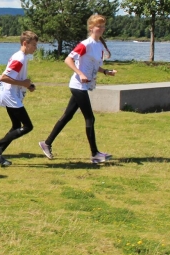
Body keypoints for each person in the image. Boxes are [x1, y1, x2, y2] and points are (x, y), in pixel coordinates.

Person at [38, 14, 116, 164]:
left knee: (67, 116)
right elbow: (68, 60)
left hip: (84, 85)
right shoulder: (85, 44)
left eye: (103, 26)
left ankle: (46, 143)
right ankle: (95, 154)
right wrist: (80, 73)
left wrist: (106, 72)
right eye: (98, 26)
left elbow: (93, 65)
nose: (101, 29)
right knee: (90, 118)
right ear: (91, 28)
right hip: (78, 85)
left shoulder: (98, 45)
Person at [0, 31, 39, 166]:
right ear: (25, 43)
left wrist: (28, 85)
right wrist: (23, 83)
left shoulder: (21, 57)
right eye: (33, 45)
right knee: (28, 126)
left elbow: (16, 77)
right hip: (10, 95)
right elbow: (4, 77)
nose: (35, 48)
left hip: (11, 94)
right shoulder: (19, 58)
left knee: (16, 126)